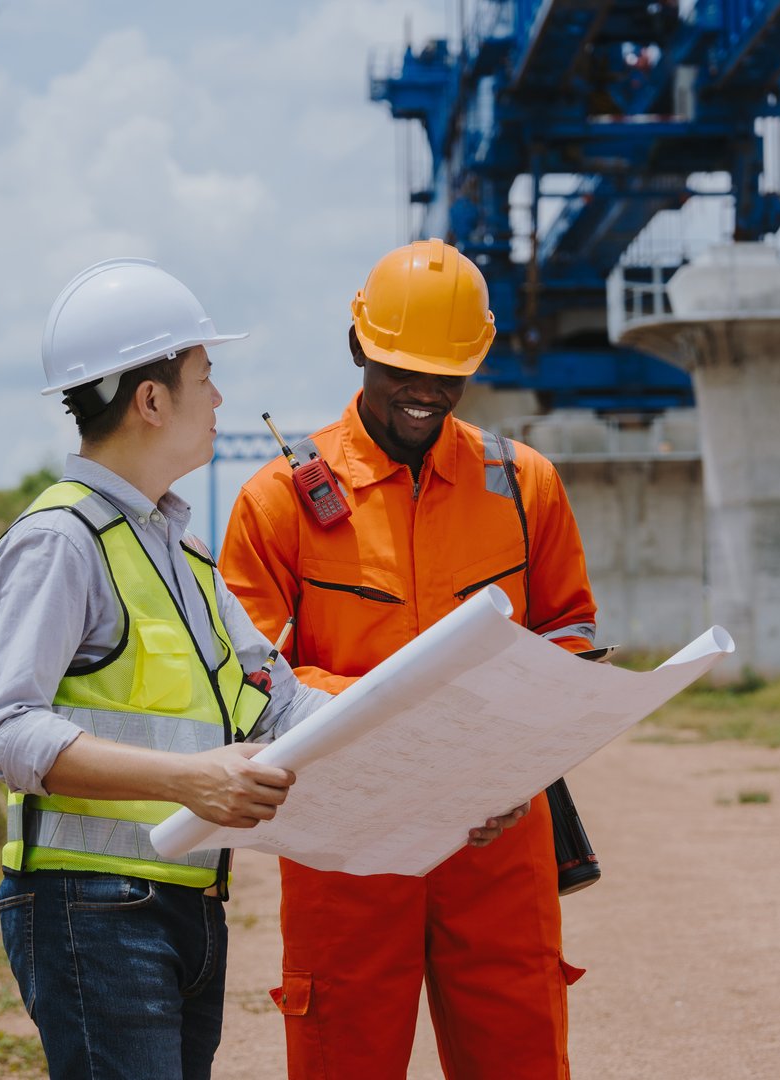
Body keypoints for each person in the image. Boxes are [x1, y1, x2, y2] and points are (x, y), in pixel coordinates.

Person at [220, 238, 599, 1079]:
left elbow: (568, 631)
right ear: (358, 346)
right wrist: (383, 729)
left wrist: (516, 756)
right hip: (349, 839)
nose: (425, 391)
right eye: (402, 368)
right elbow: (246, 677)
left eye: (447, 371)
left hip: (496, 833)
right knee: (342, 1056)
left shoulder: (524, 484)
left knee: (520, 1056)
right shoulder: (280, 501)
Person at [0, 257, 330, 1080]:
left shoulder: (183, 556)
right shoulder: (60, 541)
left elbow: (285, 709)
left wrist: (444, 749)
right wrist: (185, 780)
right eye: (206, 376)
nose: (219, 400)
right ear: (152, 399)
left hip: (184, 902)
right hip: (91, 909)